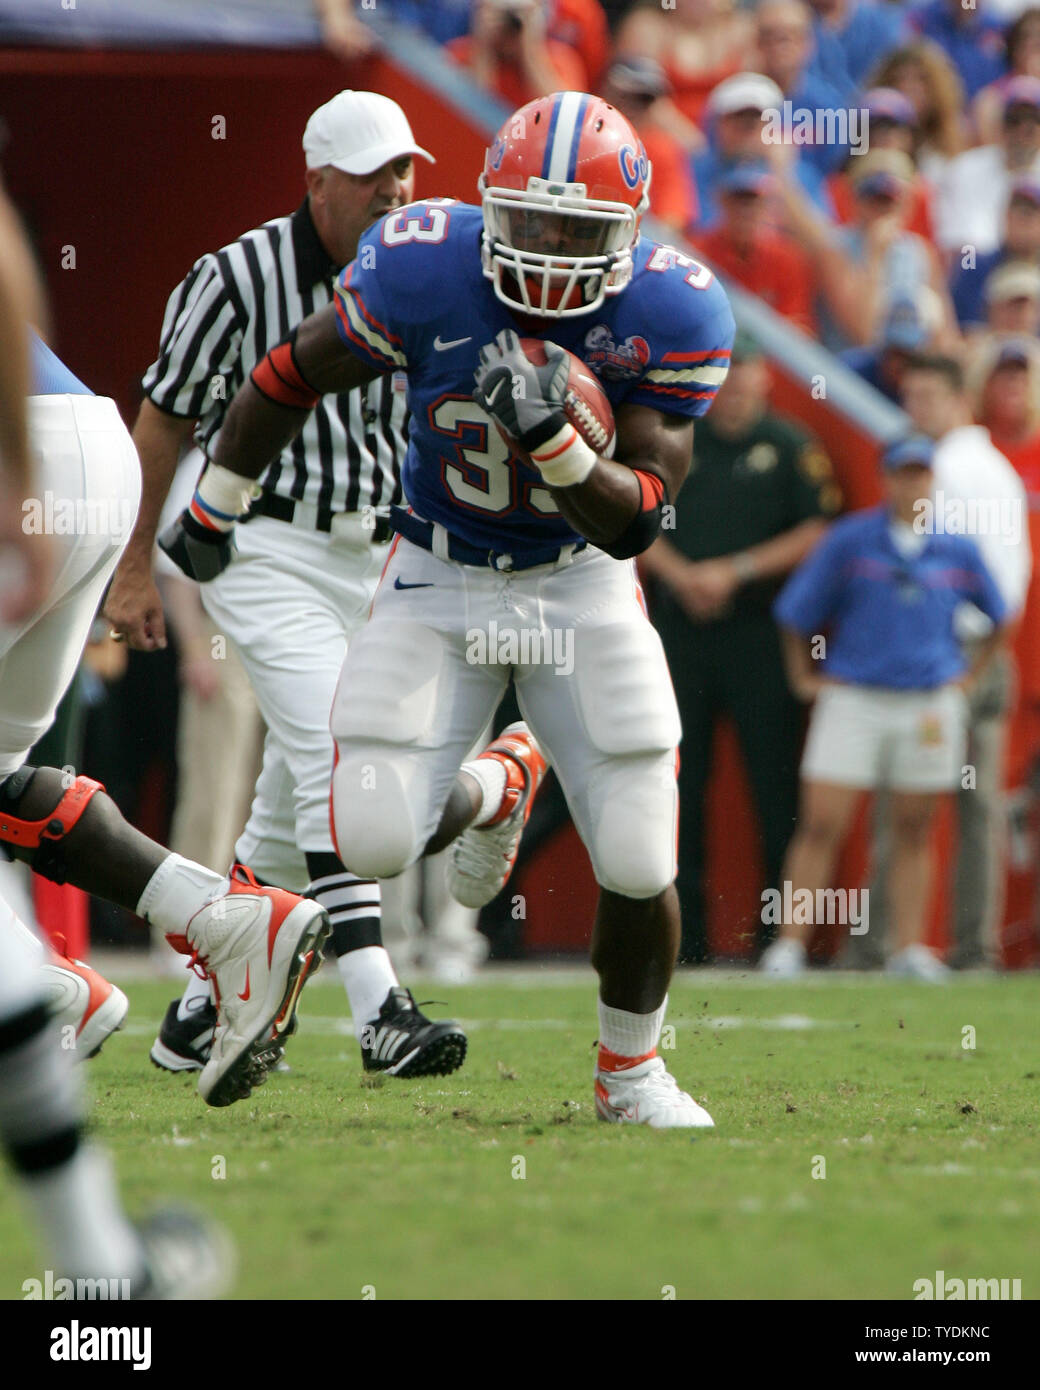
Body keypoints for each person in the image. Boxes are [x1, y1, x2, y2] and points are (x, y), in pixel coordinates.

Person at [159, 91, 737, 1129]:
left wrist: (556, 442)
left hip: (576, 578)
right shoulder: (423, 264)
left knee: (640, 847)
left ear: (628, 232)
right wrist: (218, 499)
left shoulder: (671, 308)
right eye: (531, 221)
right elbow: (290, 370)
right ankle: (498, 781)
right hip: (437, 565)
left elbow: (636, 519)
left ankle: (630, 1072)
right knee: (367, 835)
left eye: (577, 230)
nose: (552, 250)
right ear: (485, 207)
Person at [104, 90, 468, 1080]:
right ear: (315, 183)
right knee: (336, 750)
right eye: (371, 175)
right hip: (259, 543)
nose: (396, 191)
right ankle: (377, 1006)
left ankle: (192, 1010)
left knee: (282, 803)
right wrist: (134, 565)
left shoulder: (422, 267)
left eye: (405, 170)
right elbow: (162, 421)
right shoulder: (233, 277)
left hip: (371, 554)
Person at [763, 435, 1011, 980]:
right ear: (886, 479)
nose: (913, 483)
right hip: (855, 695)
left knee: (916, 826)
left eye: (922, 473)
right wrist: (806, 677)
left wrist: (966, 678)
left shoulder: (957, 547)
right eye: (904, 473)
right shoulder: (851, 541)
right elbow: (796, 611)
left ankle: (908, 949)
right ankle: (789, 946)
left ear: (933, 481)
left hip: (927, 700)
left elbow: (999, 613)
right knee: (823, 822)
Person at [640, 330, 839, 962]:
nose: (732, 392)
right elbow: (631, 511)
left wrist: (737, 570)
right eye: (723, 379)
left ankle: (777, 940)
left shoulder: (787, 446)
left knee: (773, 787)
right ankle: (684, 938)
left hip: (758, 630)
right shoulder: (675, 436)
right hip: (681, 628)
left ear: (764, 380)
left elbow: (817, 527)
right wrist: (682, 576)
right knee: (677, 782)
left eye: (745, 376)